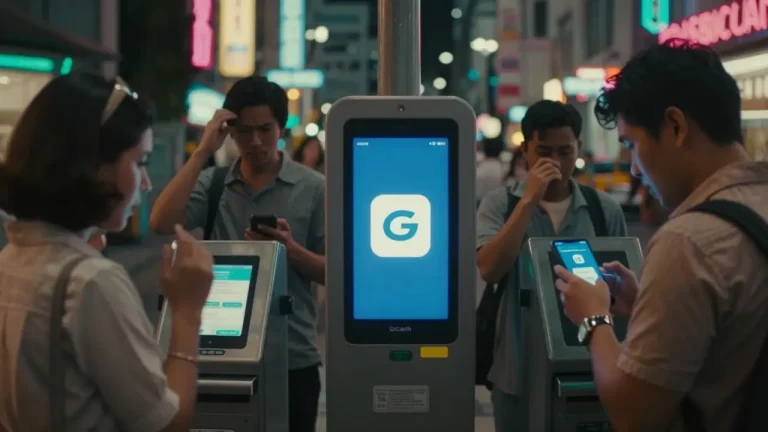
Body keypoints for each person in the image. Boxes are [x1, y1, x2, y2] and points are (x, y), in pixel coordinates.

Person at [554, 39, 768, 431]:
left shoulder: (688, 243)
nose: (634, 169)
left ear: (675, 126)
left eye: (633, 145)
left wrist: (594, 319)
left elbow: (633, 414)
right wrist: (646, 306)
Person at [0, 73, 215, 431]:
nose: (145, 185)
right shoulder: (91, 283)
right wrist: (188, 310)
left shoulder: (10, 261)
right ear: (93, 166)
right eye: (140, 162)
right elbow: (170, 422)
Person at [150, 76, 326, 432]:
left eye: (265, 128)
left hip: (294, 357)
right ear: (229, 131)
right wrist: (202, 151)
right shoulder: (214, 184)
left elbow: (337, 274)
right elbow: (161, 220)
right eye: (244, 131)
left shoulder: (313, 187)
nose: (256, 141)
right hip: (224, 356)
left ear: (281, 127)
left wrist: (289, 252)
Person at [476, 99, 627, 432]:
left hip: (587, 366)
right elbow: (490, 269)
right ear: (526, 150)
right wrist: (529, 200)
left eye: (565, 152)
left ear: (579, 149)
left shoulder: (602, 210)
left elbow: (621, 287)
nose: (556, 163)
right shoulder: (500, 204)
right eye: (544, 152)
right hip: (518, 367)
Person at [476, 137, 506, 205]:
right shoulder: (505, 170)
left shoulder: (478, 169)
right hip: (499, 206)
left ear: (484, 149)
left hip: (479, 206)